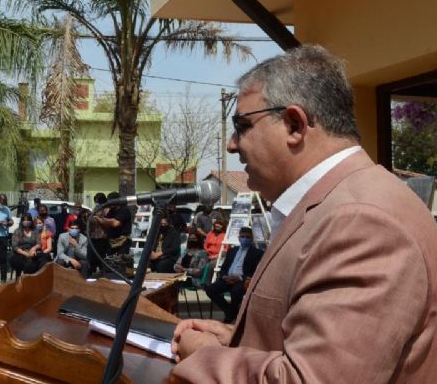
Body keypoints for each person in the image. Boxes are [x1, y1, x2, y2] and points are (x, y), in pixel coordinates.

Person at [171, 45, 437, 383]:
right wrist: (236, 341)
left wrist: (206, 356)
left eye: (242, 125)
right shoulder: (335, 204)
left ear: (295, 124)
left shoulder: (361, 219)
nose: (232, 144)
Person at [205, 227, 263, 324]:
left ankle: (230, 315)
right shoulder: (232, 251)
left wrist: (239, 278)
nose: (245, 239)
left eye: (247, 237)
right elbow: (224, 268)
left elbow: (255, 272)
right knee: (210, 290)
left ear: (252, 239)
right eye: (242, 236)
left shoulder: (257, 253)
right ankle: (231, 311)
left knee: (236, 292)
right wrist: (224, 276)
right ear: (239, 237)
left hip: (242, 280)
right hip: (227, 279)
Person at [94, 192, 132, 256]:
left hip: (122, 242)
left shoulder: (124, 209)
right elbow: (105, 223)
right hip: (111, 242)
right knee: (110, 262)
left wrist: (101, 219)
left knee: (121, 262)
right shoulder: (112, 210)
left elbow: (115, 223)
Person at [86, 192, 109, 277]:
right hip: (93, 237)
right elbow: (90, 221)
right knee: (91, 258)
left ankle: (102, 274)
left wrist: (96, 218)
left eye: (98, 201)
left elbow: (105, 222)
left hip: (102, 237)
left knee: (101, 258)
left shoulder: (107, 209)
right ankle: (91, 274)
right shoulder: (95, 208)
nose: (97, 203)